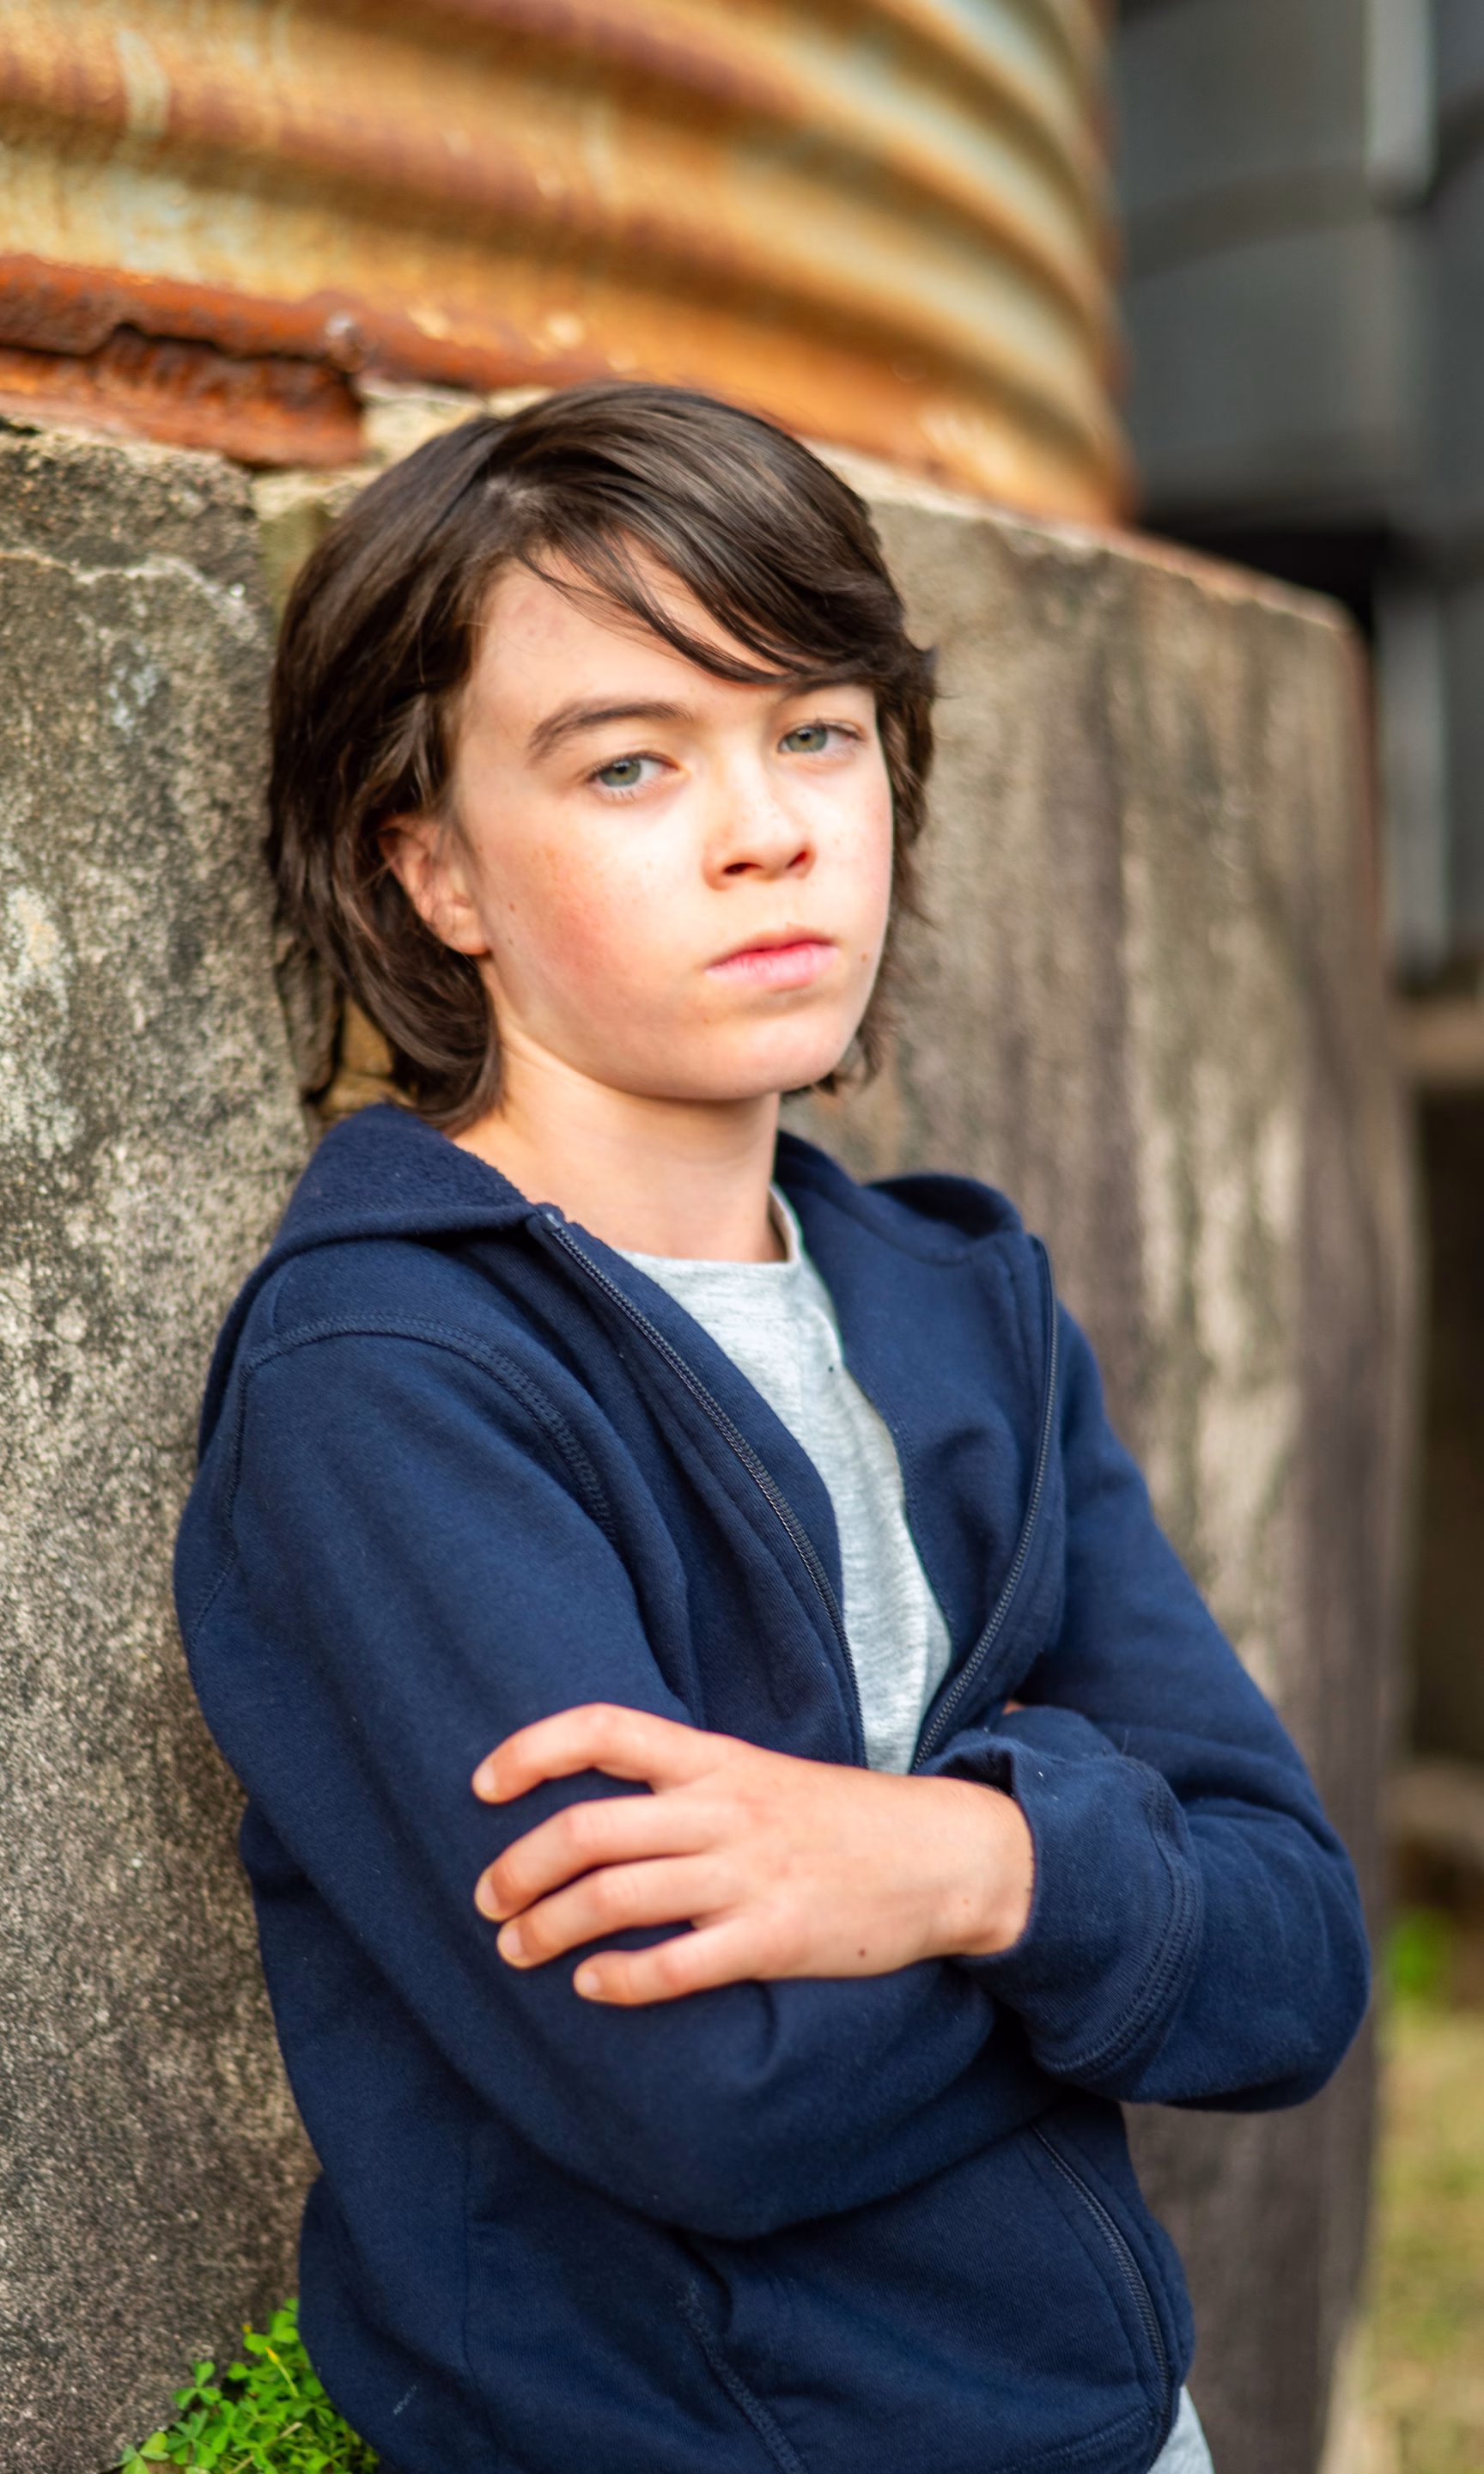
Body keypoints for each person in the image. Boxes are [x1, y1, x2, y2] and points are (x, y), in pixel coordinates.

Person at [175, 383, 1369, 2474]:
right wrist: (1099, 1912)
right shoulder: (389, 1378)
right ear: (433, 867)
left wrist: (953, 1861)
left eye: (815, 732)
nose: (770, 830)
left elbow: (1296, 1960)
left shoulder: (967, 1308)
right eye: (629, 763)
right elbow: (706, 2090)